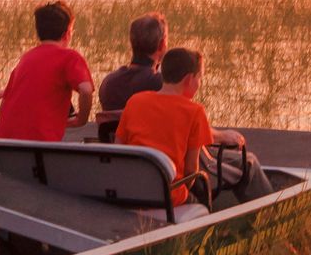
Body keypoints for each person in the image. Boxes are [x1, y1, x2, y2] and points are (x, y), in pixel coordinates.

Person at [115, 47, 272, 209]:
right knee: (203, 201)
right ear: (189, 79)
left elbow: (118, 148)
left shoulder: (135, 101)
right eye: (200, 78)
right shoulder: (195, 112)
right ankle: (266, 214)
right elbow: (191, 171)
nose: (200, 83)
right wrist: (184, 191)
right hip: (169, 195)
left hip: (132, 191)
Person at [0, 1, 93, 142]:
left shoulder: (26, 58)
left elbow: (5, 101)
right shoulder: (70, 57)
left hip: (4, 141)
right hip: (39, 142)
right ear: (67, 33)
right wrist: (81, 120)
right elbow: (86, 90)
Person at [96, 12, 166, 142]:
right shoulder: (161, 84)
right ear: (162, 45)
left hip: (118, 158)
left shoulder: (109, 83)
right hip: (153, 158)